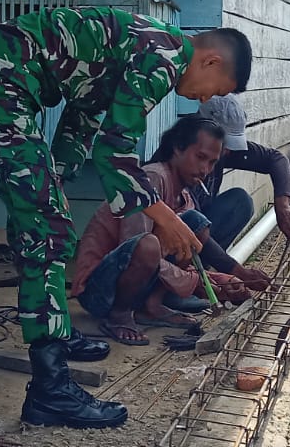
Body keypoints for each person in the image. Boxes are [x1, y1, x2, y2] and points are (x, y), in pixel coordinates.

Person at [0, 6, 252, 429]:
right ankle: (50, 391)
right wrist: (164, 216)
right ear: (210, 61)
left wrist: (58, 173)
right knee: (47, 230)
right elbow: (116, 151)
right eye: (213, 91)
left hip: (0, 76)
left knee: (43, 212)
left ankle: (56, 329)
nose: (204, 100)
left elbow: (87, 109)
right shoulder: (163, 57)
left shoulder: (147, 45)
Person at [70, 116, 272, 344]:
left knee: (191, 225)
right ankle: (119, 317)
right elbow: (136, 247)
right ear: (177, 148)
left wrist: (224, 279)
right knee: (150, 244)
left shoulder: (184, 196)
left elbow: (183, 254)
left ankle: (151, 306)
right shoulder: (151, 178)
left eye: (212, 163)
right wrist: (195, 283)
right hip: (97, 292)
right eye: (200, 157)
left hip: (128, 284)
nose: (205, 170)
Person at [195, 95, 290, 245]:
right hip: (178, 235)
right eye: (225, 143)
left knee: (241, 201)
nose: (228, 151)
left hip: (200, 228)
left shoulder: (221, 151)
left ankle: (207, 258)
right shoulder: (181, 156)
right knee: (194, 219)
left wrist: (282, 206)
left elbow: (276, 159)